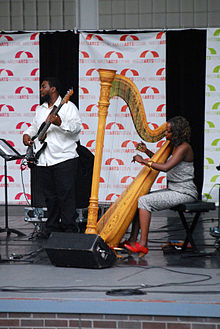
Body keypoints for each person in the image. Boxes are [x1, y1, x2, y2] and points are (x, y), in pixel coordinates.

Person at [123, 116, 198, 256]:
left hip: (185, 192)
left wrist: (143, 161)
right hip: (174, 189)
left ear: (176, 133)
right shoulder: (174, 146)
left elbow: (165, 167)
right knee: (139, 197)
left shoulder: (184, 148)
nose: (165, 134)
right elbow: (162, 160)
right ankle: (133, 240)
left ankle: (143, 244)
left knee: (144, 201)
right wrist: (146, 151)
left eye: (168, 131)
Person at [23, 77, 82, 238]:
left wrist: (60, 122)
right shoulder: (41, 109)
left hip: (64, 158)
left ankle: (69, 230)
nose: (41, 89)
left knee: (66, 196)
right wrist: (27, 134)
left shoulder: (68, 107)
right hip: (44, 159)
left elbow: (77, 128)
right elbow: (35, 127)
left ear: (53, 89)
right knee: (50, 197)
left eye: (44, 86)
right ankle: (52, 229)